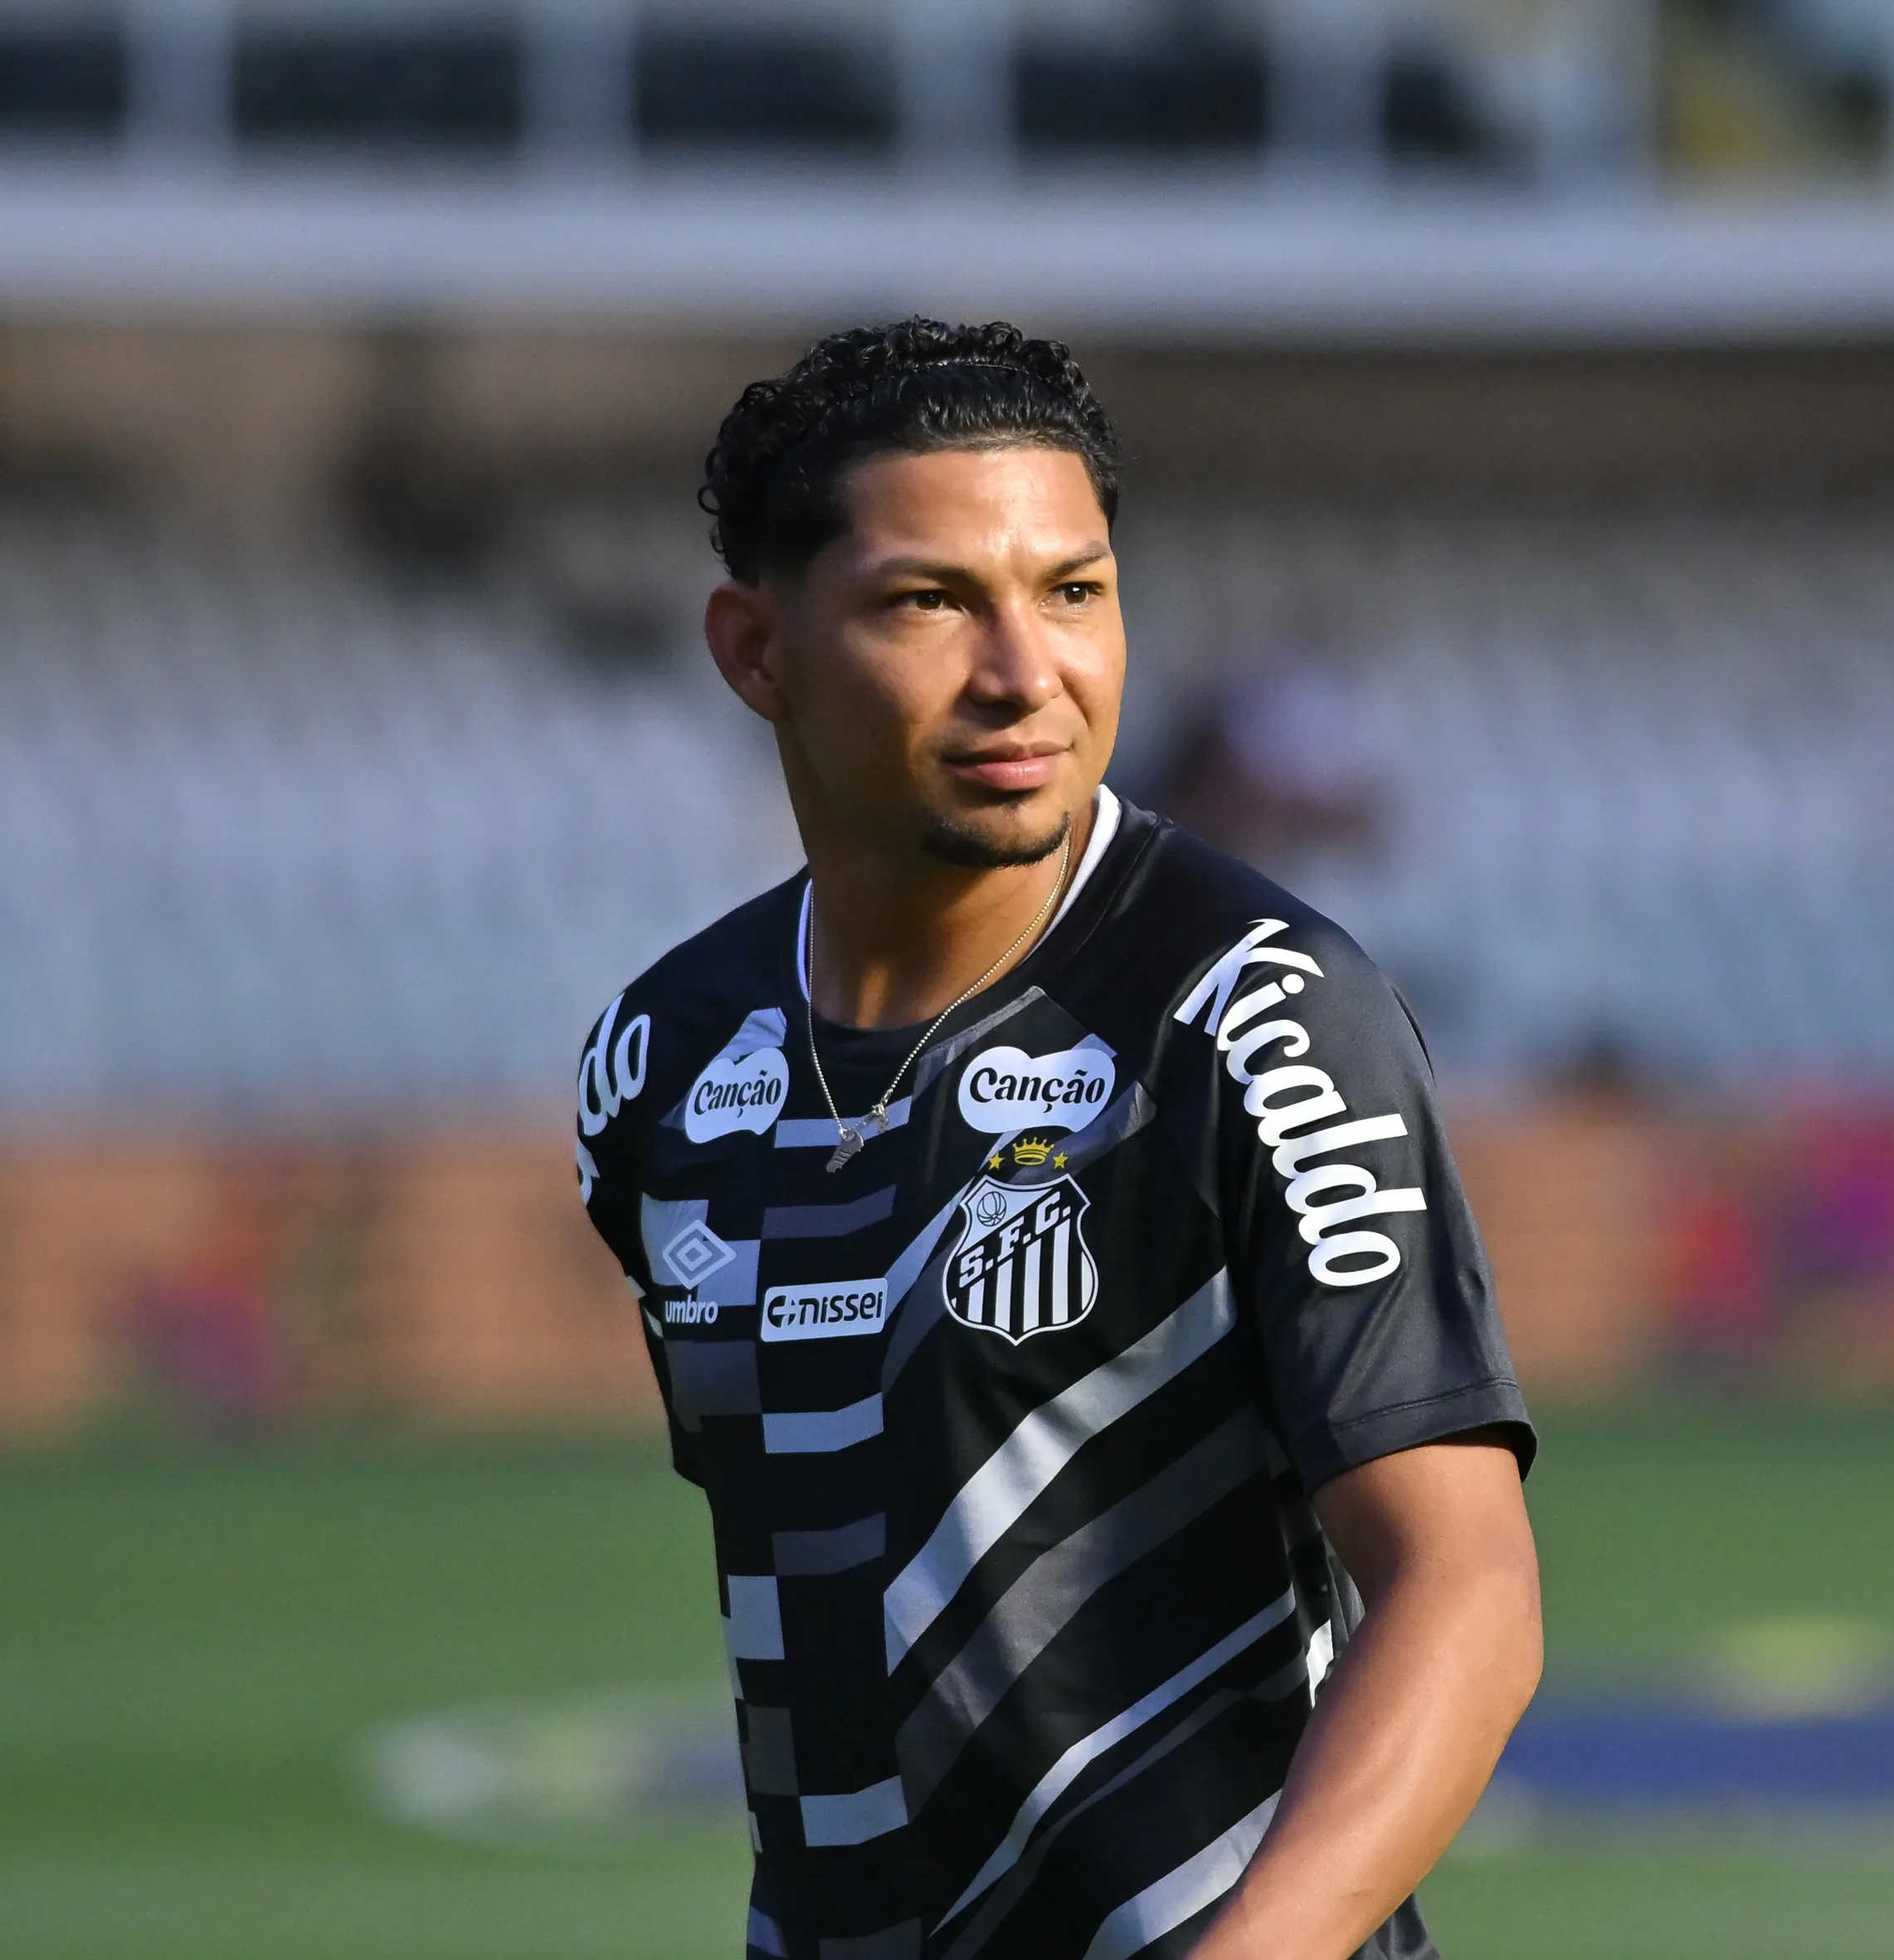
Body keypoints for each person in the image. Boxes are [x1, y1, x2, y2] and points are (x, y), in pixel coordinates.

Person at [572, 319, 1541, 1960]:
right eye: (929, 601)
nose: (1026, 671)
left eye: (1074, 591)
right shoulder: (658, 1065)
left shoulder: (1256, 1018)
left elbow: (1467, 1587)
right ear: (755, 650)